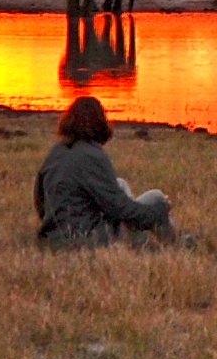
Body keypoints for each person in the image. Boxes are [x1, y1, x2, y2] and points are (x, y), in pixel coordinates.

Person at [34, 95, 174, 248]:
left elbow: (40, 202)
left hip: (51, 238)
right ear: (100, 123)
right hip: (86, 239)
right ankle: (173, 246)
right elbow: (120, 208)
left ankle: (140, 242)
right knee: (156, 198)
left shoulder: (56, 152)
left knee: (120, 184)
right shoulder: (93, 156)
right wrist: (158, 211)